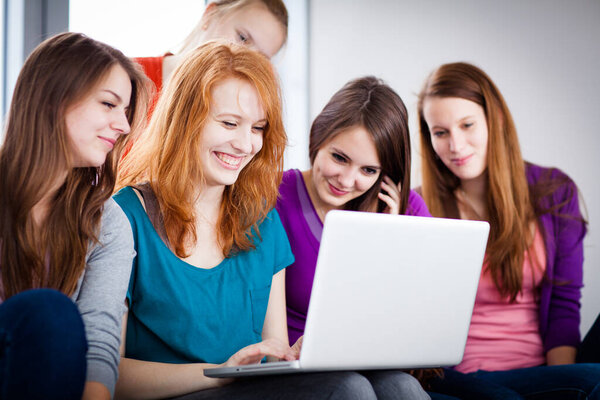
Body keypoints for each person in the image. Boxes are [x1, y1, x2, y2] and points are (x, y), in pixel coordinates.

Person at [114, 40, 407, 400]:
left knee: (399, 385)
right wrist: (221, 374)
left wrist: (293, 357)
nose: (245, 143)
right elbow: (109, 373)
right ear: (184, 119)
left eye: (257, 128)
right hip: (182, 393)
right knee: (349, 390)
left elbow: (273, 348)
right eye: (229, 123)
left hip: (245, 391)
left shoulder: (263, 222)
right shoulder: (126, 218)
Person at [417, 61, 600, 399]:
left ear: (495, 120)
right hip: (458, 380)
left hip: (537, 374)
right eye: (440, 132)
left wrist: (562, 385)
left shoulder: (555, 191)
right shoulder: (419, 206)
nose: (455, 146)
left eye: (467, 125)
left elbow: (564, 304)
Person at [0, 32, 149, 400]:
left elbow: (98, 342)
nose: (124, 126)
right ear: (55, 96)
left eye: (126, 111)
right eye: (108, 104)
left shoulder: (107, 222)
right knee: (49, 311)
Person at [276, 76, 432, 400]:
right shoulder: (276, 196)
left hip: (374, 362)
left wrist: (390, 239)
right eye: (340, 158)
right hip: (294, 366)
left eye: (369, 171)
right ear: (318, 136)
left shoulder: (405, 209)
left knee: (405, 389)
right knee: (352, 389)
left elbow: (419, 317)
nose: (347, 181)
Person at [134, 0, 287, 100]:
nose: (247, 57)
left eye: (260, 58)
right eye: (242, 38)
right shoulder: (127, 76)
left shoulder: (237, 122)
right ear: (209, 15)